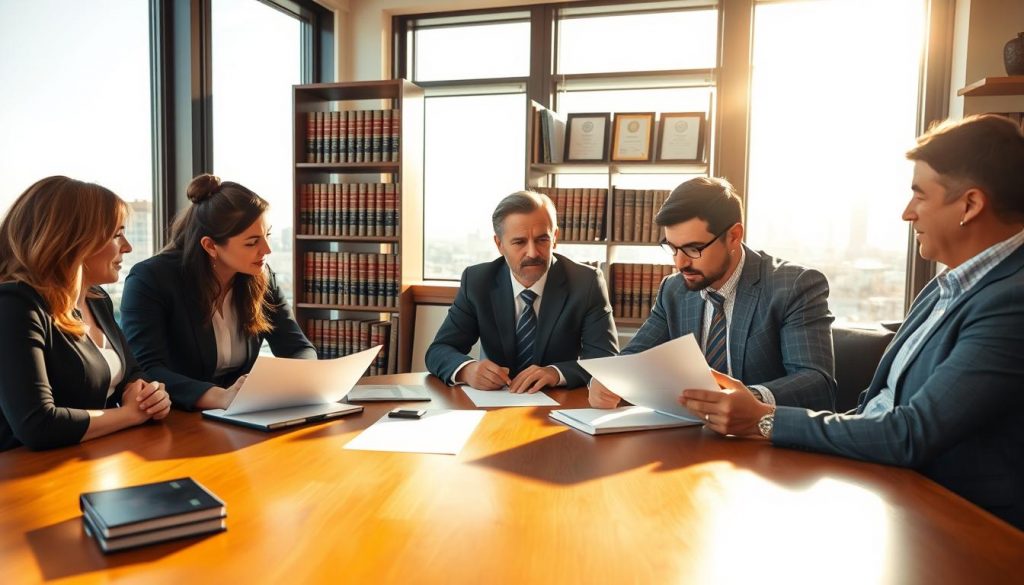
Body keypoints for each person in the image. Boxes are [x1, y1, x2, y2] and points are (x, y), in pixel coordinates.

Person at [681, 115, 1024, 531]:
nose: (906, 214)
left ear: (969, 205)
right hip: (889, 485)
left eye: (920, 196)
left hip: (963, 524)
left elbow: (912, 432)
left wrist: (762, 419)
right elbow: (875, 408)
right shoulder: (947, 284)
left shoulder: (1012, 300)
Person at [589, 177, 836, 411]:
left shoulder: (794, 286)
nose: (680, 263)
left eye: (693, 248)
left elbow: (816, 383)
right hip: (689, 438)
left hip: (763, 443)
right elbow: (633, 359)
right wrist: (607, 380)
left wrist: (749, 400)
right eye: (672, 248)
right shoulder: (673, 290)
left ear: (733, 236)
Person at [0, 176, 171, 451]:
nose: (127, 246)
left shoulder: (96, 298)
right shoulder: (14, 304)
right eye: (117, 234)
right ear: (75, 240)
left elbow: (132, 372)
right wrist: (129, 415)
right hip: (26, 477)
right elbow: (36, 425)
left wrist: (148, 395)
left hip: (91, 459)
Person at [121, 174, 315, 410]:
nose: (267, 249)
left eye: (268, 235)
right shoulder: (150, 280)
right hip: (177, 418)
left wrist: (291, 382)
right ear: (210, 246)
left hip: (243, 413)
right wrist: (221, 397)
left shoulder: (260, 276)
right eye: (252, 242)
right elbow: (148, 368)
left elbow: (297, 348)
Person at [426, 190, 618, 393]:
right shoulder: (478, 281)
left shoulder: (586, 283)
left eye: (542, 240)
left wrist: (555, 373)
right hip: (493, 404)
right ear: (499, 244)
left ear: (555, 238)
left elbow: (606, 362)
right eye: (519, 242)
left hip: (560, 405)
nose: (533, 252)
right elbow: (439, 351)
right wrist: (467, 370)